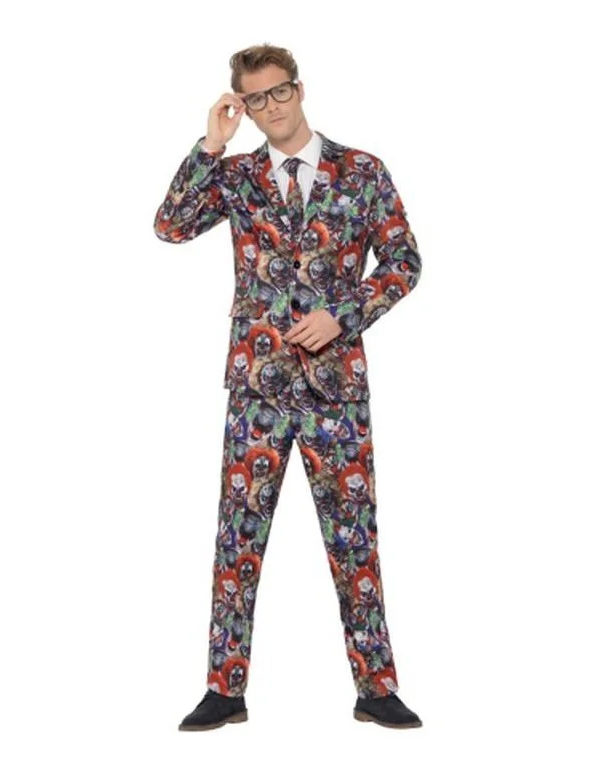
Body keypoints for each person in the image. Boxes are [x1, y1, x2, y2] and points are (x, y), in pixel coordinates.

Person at [153, 43, 423, 730]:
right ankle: (225, 689)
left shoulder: (361, 171)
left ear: (299, 89)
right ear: (244, 106)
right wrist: (210, 145)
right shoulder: (236, 176)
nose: (270, 106)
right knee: (236, 542)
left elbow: (403, 261)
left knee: (354, 539)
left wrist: (344, 315)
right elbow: (169, 226)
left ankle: (376, 687)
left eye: (278, 91)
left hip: (336, 391)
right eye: (255, 99)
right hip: (257, 389)